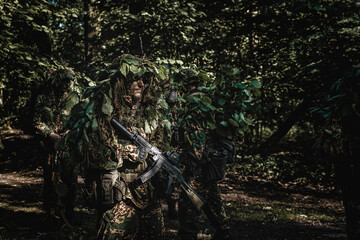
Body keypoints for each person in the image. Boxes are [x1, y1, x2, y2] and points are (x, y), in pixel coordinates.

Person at [64, 54, 170, 239]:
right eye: (134, 79)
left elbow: (160, 146)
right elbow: (93, 154)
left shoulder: (151, 115)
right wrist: (126, 152)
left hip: (148, 194)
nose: (140, 84)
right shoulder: (106, 115)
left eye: (143, 80)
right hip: (121, 193)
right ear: (121, 82)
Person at [175, 68, 236, 240]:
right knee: (210, 196)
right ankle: (223, 229)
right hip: (210, 161)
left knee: (188, 201)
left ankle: (189, 234)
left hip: (199, 163)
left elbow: (197, 136)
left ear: (185, 84)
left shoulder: (194, 102)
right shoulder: (206, 100)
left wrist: (190, 164)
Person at [33, 65, 84, 226]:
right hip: (50, 148)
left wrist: (70, 132)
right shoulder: (44, 97)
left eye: (68, 82)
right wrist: (50, 134)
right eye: (63, 81)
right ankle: (51, 214)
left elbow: (81, 119)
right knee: (51, 181)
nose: (66, 85)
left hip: (69, 148)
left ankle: (69, 214)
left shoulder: (75, 97)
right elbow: (36, 121)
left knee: (71, 182)